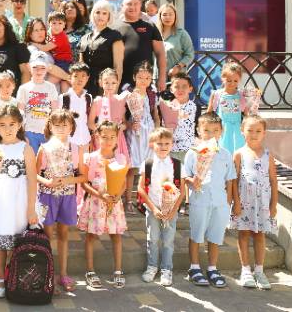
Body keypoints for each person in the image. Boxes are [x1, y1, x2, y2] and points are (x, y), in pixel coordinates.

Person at [0, 105, 38, 298]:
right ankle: (1, 278)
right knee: (0, 240)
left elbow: (32, 180)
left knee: (17, 241)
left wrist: (31, 208)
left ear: (19, 124)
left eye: (12, 124)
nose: (8, 128)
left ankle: (15, 276)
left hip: (19, 202)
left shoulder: (25, 149)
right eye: (2, 125)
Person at [183, 112, 236, 288]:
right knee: (197, 233)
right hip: (200, 200)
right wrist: (193, 182)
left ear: (221, 132)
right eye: (206, 130)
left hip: (220, 202)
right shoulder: (193, 154)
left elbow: (230, 180)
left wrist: (228, 203)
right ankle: (194, 267)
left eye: (215, 130)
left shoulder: (226, 154)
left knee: (216, 235)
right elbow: (186, 177)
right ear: (199, 131)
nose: (211, 134)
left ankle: (212, 268)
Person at [36, 109, 87, 293]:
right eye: (56, 125)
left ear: (71, 127)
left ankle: (63, 273)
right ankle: (47, 274)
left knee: (64, 235)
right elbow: (34, 174)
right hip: (47, 196)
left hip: (67, 195)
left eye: (65, 125)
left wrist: (67, 180)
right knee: (47, 236)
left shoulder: (77, 148)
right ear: (50, 126)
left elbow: (83, 176)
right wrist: (47, 182)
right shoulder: (44, 148)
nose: (61, 128)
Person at [79, 121, 128, 289]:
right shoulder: (90, 158)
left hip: (114, 203)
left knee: (116, 235)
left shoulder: (120, 158)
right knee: (91, 235)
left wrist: (118, 195)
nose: (108, 140)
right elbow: (84, 183)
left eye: (112, 137)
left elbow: (123, 183)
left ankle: (118, 270)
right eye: (104, 137)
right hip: (95, 202)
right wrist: (100, 195)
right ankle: (90, 271)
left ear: (117, 138)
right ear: (97, 137)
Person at [231, 115, 278, 290]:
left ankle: (259, 271)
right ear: (242, 131)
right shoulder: (239, 154)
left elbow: (273, 181)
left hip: (263, 204)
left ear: (264, 133)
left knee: (260, 235)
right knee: (243, 234)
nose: (254, 134)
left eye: (258, 131)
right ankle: (245, 270)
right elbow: (234, 180)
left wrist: (273, 204)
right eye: (250, 130)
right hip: (244, 202)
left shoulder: (268, 155)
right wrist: (236, 202)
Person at [138, 127, 185, 287]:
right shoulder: (148, 164)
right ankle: (152, 267)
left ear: (172, 144)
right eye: (159, 143)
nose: (163, 147)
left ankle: (166, 269)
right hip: (153, 209)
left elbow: (182, 191)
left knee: (168, 241)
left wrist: (173, 210)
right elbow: (140, 188)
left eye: (167, 143)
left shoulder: (177, 165)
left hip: (171, 211)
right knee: (153, 239)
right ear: (152, 144)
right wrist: (153, 208)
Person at [88, 69, 131, 199]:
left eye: (113, 83)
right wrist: (100, 132)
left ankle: (116, 195)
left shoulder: (120, 100)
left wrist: (121, 127)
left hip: (117, 139)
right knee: (101, 168)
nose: (110, 86)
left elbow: (125, 123)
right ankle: (100, 194)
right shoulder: (98, 101)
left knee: (117, 167)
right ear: (101, 83)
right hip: (101, 140)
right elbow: (90, 122)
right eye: (106, 82)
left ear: (117, 83)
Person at [125, 61, 160, 211]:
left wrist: (157, 131)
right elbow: (122, 117)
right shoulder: (128, 94)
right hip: (134, 133)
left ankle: (143, 199)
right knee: (132, 168)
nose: (143, 81)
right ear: (134, 77)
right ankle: (128, 200)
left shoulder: (152, 95)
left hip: (149, 132)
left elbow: (156, 116)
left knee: (147, 167)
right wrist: (129, 124)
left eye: (147, 78)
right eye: (140, 77)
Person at [116, 0, 167, 92]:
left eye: (136, 4)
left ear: (140, 6)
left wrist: (162, 78)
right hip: (119, 82)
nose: (132, 7)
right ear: (122, 6)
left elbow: (161, 54)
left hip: (144, 82)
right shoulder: (114, 28)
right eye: (129, 4)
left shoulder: (150, 26)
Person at [78, 0, 125, 96]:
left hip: (106, 85)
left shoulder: (115, 35)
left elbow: (118, 66)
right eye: (98, 12)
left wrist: (114, 91)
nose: (100, 16)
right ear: (93, 15)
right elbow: (81, 66)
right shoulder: (84, 38)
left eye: (104, 13)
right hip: (86, 85)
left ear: (109, 17)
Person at [17, 51, 59, 154]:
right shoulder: (24, 88)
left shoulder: (51, 87)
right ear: (29, 67)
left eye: (43, 67)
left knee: (46, 159)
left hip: (47, 132)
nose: (39, 70)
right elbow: (20, 112)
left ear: (48, 68)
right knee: (32, 158)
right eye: (35, 67)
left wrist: (54, 131)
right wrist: (22, 133)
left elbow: (55, 111)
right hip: (29, 131)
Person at [207, 61, 249, 155]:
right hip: (222, 129)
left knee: (238, 152)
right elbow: (209, 113)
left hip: (238, 130)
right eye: (229, 80)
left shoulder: (241, 95)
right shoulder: (217, 94)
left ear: (239, 80)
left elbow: (246, 113)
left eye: (235, 81)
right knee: (223, 151)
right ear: (223, 78)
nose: (232, 83)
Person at [23, 17, 71, 88]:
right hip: (42, 91)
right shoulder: (32, 49)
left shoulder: (46, 47)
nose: (40, 32)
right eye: (36, 30)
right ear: (30, 34)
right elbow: (49, 67)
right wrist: (69, 78)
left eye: (42, 29)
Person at [164, 73, 198, 163]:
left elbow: (184, 116)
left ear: (190, 89)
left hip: (187, 148)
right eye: (177, 87)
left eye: (184, 86)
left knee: (186, 171)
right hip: (171, 149)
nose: (180, 89)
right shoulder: (167, 106)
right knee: (173, 171)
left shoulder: (192, 106)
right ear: (171, 89)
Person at [155, 3, 194, 80]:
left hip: (176, 79)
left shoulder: (182, 34)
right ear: (160, 16)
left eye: (170, 14)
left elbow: (189, 54)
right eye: (164, 14)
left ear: (175, 16)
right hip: (157, 78)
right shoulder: (154, 33)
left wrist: (178, 67)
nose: (168, 17)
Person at [59, 63, 92, 154]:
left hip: (85, 140)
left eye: (83, 76)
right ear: (70, 78)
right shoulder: (63, 98)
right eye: (76, 76)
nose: (80, 79)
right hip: (68, 141)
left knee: (84, 162)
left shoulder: (89, 98)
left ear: (87, 78)